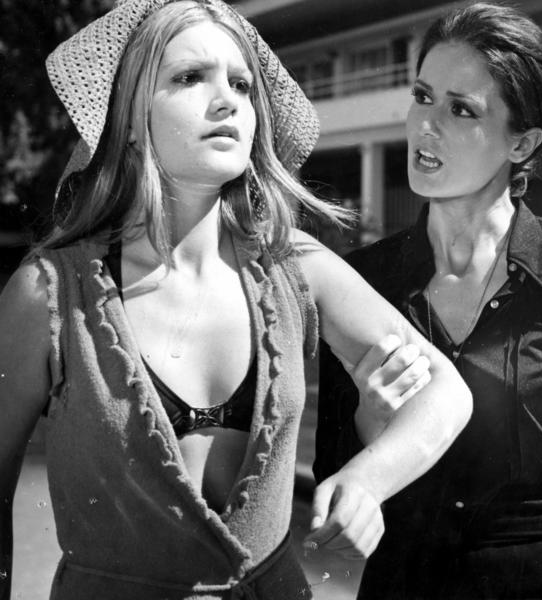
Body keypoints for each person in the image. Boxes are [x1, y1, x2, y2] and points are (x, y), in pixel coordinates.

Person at [0, 2, 473, 599]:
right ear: (129, 118)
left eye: (242, 84)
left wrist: (368, 481)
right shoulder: (47, 292)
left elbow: (446, 390)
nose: (227, 100)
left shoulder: (294, 266)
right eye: (189, 77)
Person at [314, 3, 542, 599]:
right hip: (405, 583)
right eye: (422, 96)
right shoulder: (360, 281)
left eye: (460, 109)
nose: (426, 125)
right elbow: (332, 476)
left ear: (521, 142)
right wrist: (371, 424)